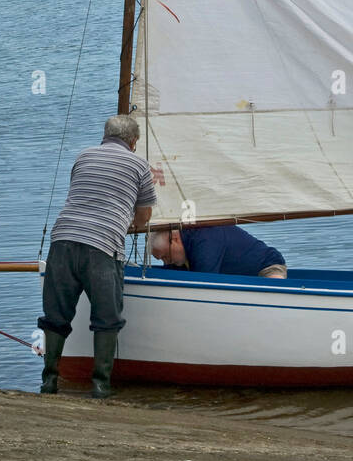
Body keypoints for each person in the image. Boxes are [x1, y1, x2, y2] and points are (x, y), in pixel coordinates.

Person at [38, 115, 155, 398]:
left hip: (63, 239)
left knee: (56, 316)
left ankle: (49, 382)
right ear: (134, 141)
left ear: (105, 135)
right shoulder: (140, 165)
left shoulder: (83, 156)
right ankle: (101, 386)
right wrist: (129, 223)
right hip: (102, 246)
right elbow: (144, 215)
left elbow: (81, 194)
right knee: (107, 318)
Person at [151, 224, 287, 278]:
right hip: (239, 282)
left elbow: (205, 282)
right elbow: (170, 273)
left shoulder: (204, 241)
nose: (166, 262)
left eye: (165, 257)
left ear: (174, 239)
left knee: (276, 298)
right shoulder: (185, 250)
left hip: (267, 269)